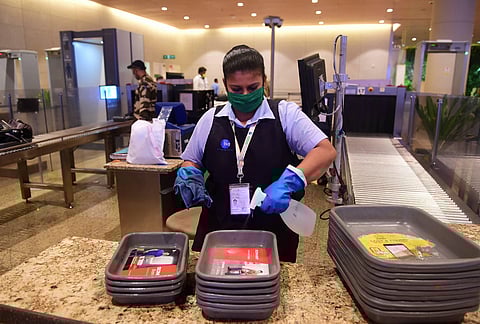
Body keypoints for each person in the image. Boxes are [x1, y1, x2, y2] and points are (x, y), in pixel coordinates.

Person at [174, 45, 336, 262]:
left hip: (272, 230)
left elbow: (325, 151)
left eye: (252, 87)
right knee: (215, 290)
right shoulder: (211, 119)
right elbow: (191, 160)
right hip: (218, 227)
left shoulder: (285, 114)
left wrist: (290, 181)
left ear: (264, 81)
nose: (245, 95)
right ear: (225, 85)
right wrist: (189, 174)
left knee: (269, 290)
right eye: (236, 89)